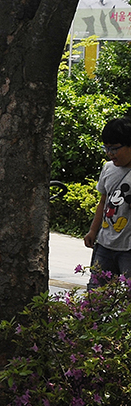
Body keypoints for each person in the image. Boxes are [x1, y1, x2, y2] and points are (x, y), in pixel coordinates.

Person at [84, 116, 131, 287]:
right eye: (106, 148)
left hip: (128, 249)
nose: (110, 153)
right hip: (104, 245)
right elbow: (103, 203)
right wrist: (92, 231)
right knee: (95, 294)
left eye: (115, 149)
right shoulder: (108, 169)